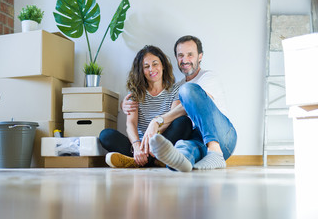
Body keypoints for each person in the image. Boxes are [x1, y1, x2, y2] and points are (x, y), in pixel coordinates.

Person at [122, 35, 237, 172]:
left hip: (222, 136)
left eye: (190, 55)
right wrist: (124, 105)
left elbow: (188, 105)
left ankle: (215, 151)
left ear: (200, 56)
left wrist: (157, 121)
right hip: (198, 140)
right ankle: (179, 162)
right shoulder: (178, 87)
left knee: (187, 91)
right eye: (180, 55)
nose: (185, 60)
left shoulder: (207, 78)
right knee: (182, 148)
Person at [99, 45, 192, 168]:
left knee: (183, 122)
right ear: (141, 71)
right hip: (140, 145)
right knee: (106, 135)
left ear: (163, 65)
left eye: (155, 64)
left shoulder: (175, 90)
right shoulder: (136, 93)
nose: (151, 69)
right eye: (146, 67)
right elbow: (130, 124)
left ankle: (139, 161)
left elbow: (172, 119)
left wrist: (152, 138)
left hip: (162, 142)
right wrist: (137, 147)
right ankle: (148, 159)